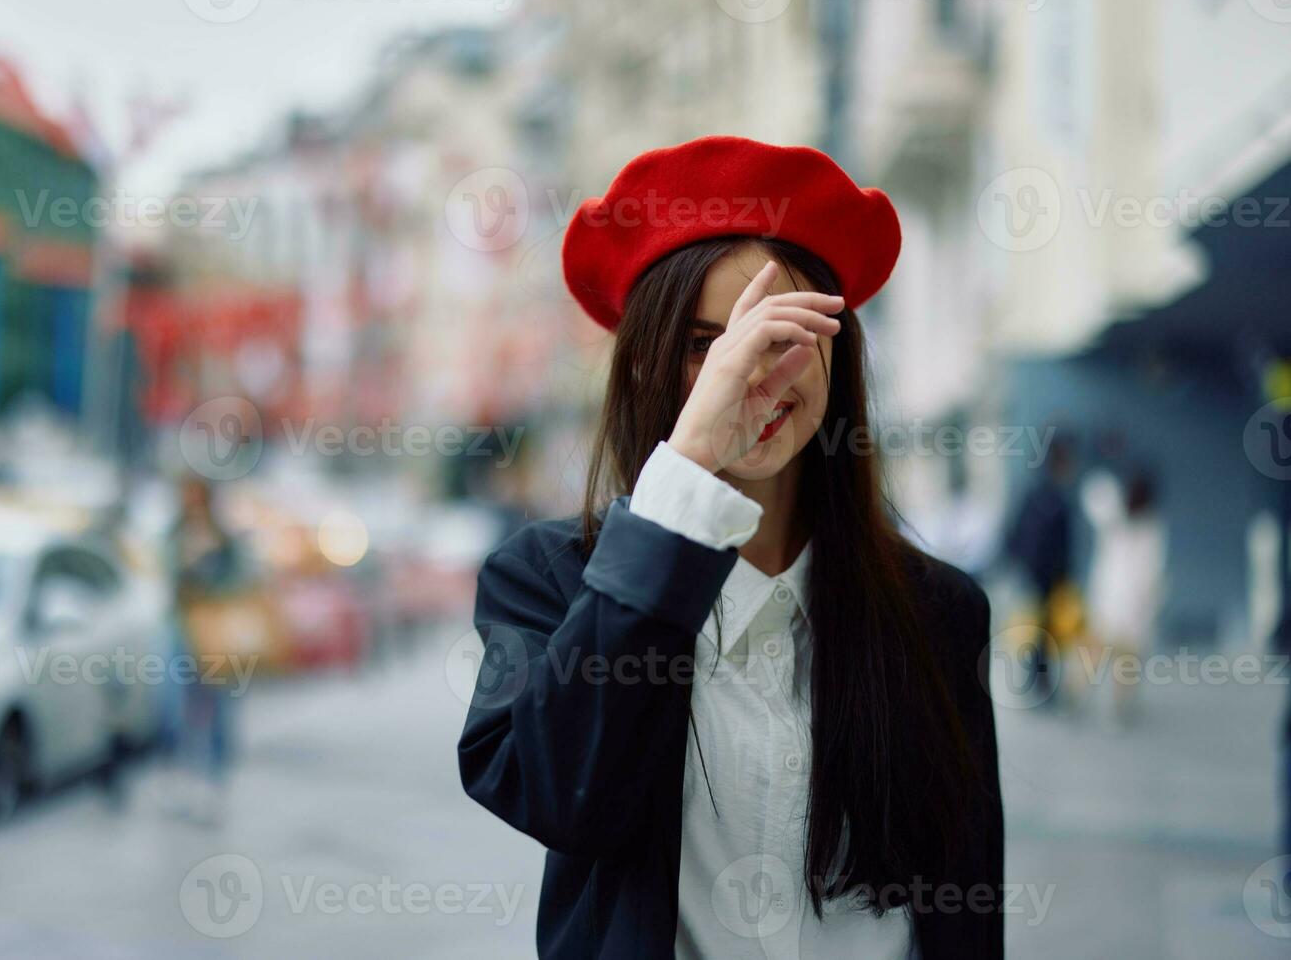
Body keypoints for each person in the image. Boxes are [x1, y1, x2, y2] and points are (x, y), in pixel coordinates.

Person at [457, 137, 1003, 959]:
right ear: (641, 367)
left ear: (837, 352)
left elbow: (964, 913)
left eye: (780, 333)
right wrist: (684, 473)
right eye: (699, 345)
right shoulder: (549, 579)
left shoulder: (938, 610)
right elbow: (556, 796)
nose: (749, 376)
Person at [165, 475, 249, 822]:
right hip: (184, 630)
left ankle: (215, 784)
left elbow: (239, 579)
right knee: (180, 707)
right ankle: (188, 779)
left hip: (215, 631)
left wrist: (209, 571)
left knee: (218, 709)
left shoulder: (224, 539)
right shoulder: (176, 534)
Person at [1081, 467, 1165, 725]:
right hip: (1122, 607)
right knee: (1118, 662)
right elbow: (1152, 572)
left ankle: (1101, 706)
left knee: (1102, 658)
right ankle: (1111, 709)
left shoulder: (1128, 525)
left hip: (1114, 605)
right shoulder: (1135, 526)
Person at [1003, 435, 1076, 707]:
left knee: (1039, 635)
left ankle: (1037, 683)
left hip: (1038, 577)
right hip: (1044, 579)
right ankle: (1040, 684)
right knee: (1041, 635)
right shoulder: (1052, 498)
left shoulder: (1040, 495)